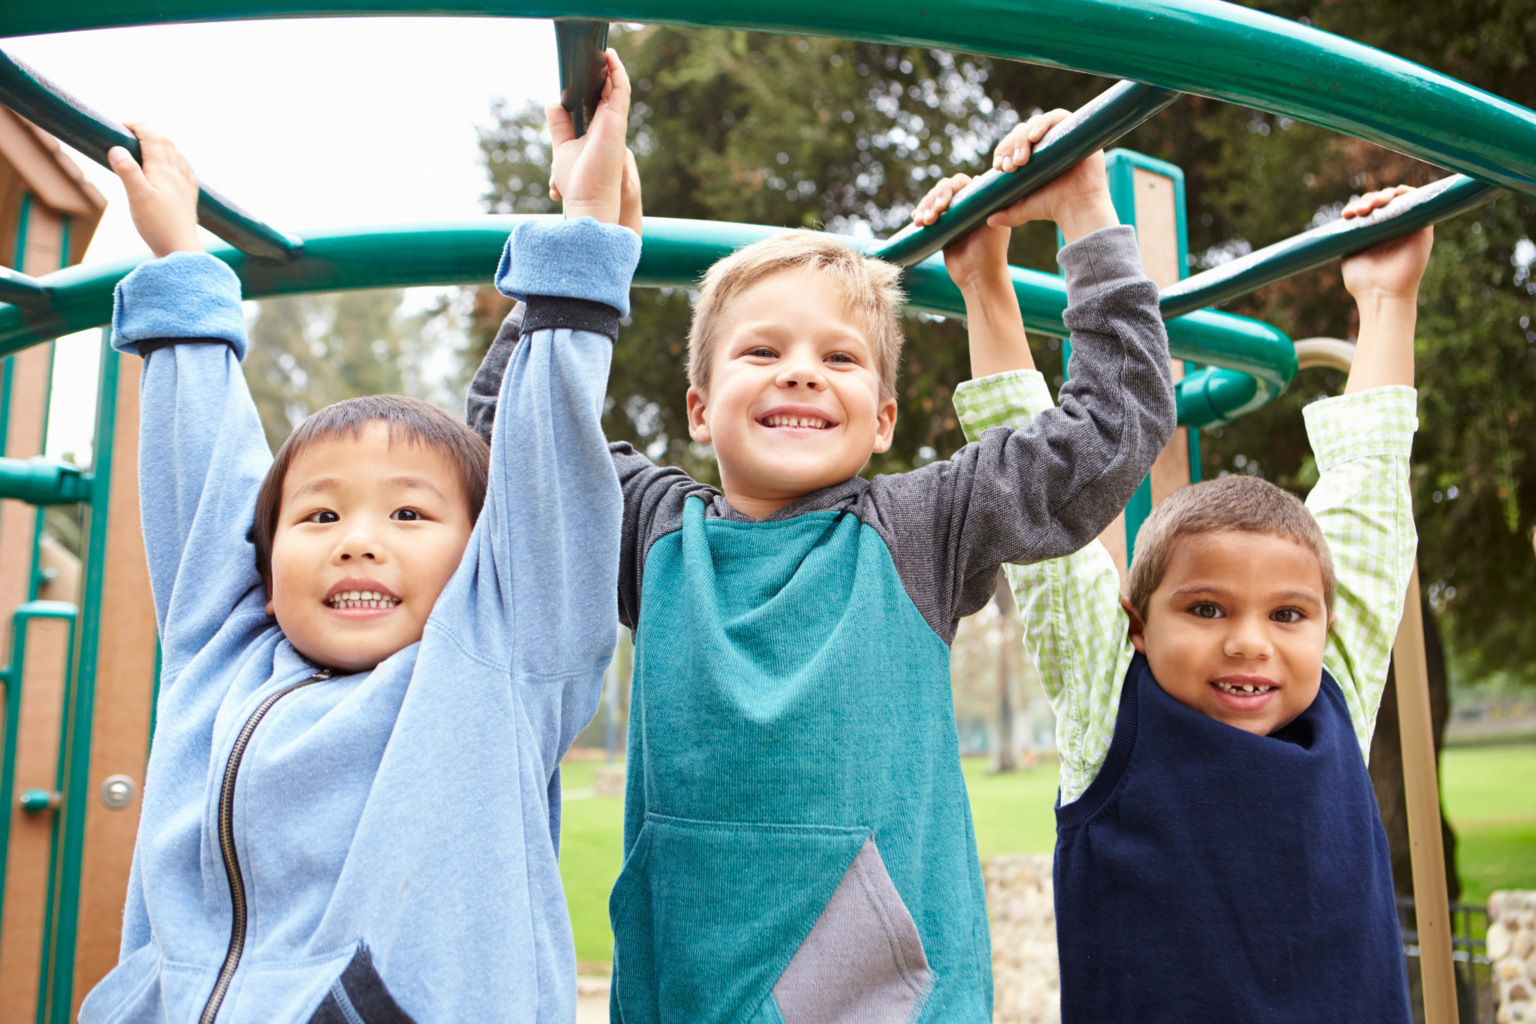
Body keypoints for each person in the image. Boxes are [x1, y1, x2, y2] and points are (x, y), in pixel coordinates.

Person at [468, 108, 1178, 1022]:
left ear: (882, 419)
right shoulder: (655, 534)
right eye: (762, 350)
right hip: (691, 987)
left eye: (839, 358)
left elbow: (1111, 430)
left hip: (883, 999)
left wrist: (1085, 210)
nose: (801, 373)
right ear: (698, 406)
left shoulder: (924, 528)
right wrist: (588, 246)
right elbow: (507, 452)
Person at [79, 51, 641, 1024]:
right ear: (263, 566)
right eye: (320, 514)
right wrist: (179, 262)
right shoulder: (224, 651)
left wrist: (580, 247)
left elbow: (549, 479)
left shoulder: (497, 668)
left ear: (483, 559)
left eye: (410, 513)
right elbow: (204, 468)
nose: (357, 541)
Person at [948, 181, 1430, 1022]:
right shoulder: (1114, 705)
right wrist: (985, 284)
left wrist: (1389, 300)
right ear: (1136, 626)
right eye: (1206, 610)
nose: (1251, 642)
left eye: (1287, 615)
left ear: (1324, 621)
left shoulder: (1335, 695)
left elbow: (1370, 495)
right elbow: (1036, 494)